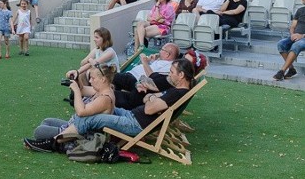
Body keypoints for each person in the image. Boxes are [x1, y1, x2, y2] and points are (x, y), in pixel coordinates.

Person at [26, 59, 196, 150]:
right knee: (95, 115)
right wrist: (152, 98)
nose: (170, 75)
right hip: (132, 115)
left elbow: (150, 106)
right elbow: (147, 100)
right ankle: (63, 135)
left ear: (181, 75)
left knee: (94, 118)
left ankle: (53, 142)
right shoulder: (176, 91)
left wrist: (151, 99)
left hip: (135, 125)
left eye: (172, 72)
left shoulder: (177, 93)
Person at [25, 64, 116, 148]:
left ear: (103, 79)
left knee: (39, 132)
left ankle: (58, 143)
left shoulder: (105, 99)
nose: (90, 81)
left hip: (81, 135)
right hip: (73, 125)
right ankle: (53, 140)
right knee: (46, 121)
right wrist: (77, 76)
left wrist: (76, 91)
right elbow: (83, 90)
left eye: (93, 78)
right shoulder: (101, 91)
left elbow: (81, 112)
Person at [113, 43, 180, 94]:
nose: (159, 51)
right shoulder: (161, 61)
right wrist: (149, 61)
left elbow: (154, 77)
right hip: (130, 76)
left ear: (167, 54)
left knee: (109, 76)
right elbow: (142, 67)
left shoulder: (169, 66)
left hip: (136, 81)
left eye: (162, 49)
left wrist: (144, 62)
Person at [273, 0, 305, 80]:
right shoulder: (300, 10)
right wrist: (292, 34)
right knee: (281, 44)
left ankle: (282, 71)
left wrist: (302, 35)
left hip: (303, 37)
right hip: (295, 36)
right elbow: (293, 26)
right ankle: (291, 69)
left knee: (296, 45)